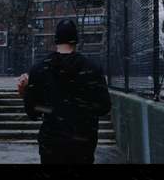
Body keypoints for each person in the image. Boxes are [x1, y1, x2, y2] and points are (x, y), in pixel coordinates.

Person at [17, 19, 111, 164]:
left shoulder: (40, 69)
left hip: (52, 145)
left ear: (56, 40)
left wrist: (26, 94)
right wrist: (81, 109)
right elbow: (104, 107)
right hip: (83, 144)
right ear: (76, 40)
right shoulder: (92, 68)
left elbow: (33, 112)